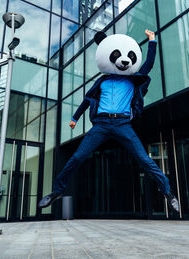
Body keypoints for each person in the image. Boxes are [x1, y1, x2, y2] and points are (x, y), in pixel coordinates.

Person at [38, 29, 179, 213]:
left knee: (144, 159)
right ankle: (56, 192)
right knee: (77, 157)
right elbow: (87, 100)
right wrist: (75, 117)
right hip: (101, 125)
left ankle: (168, 192)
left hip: (122, 125)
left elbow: (149, 64)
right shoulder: (101, 82)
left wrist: (152, 41)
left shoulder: (133, 80)